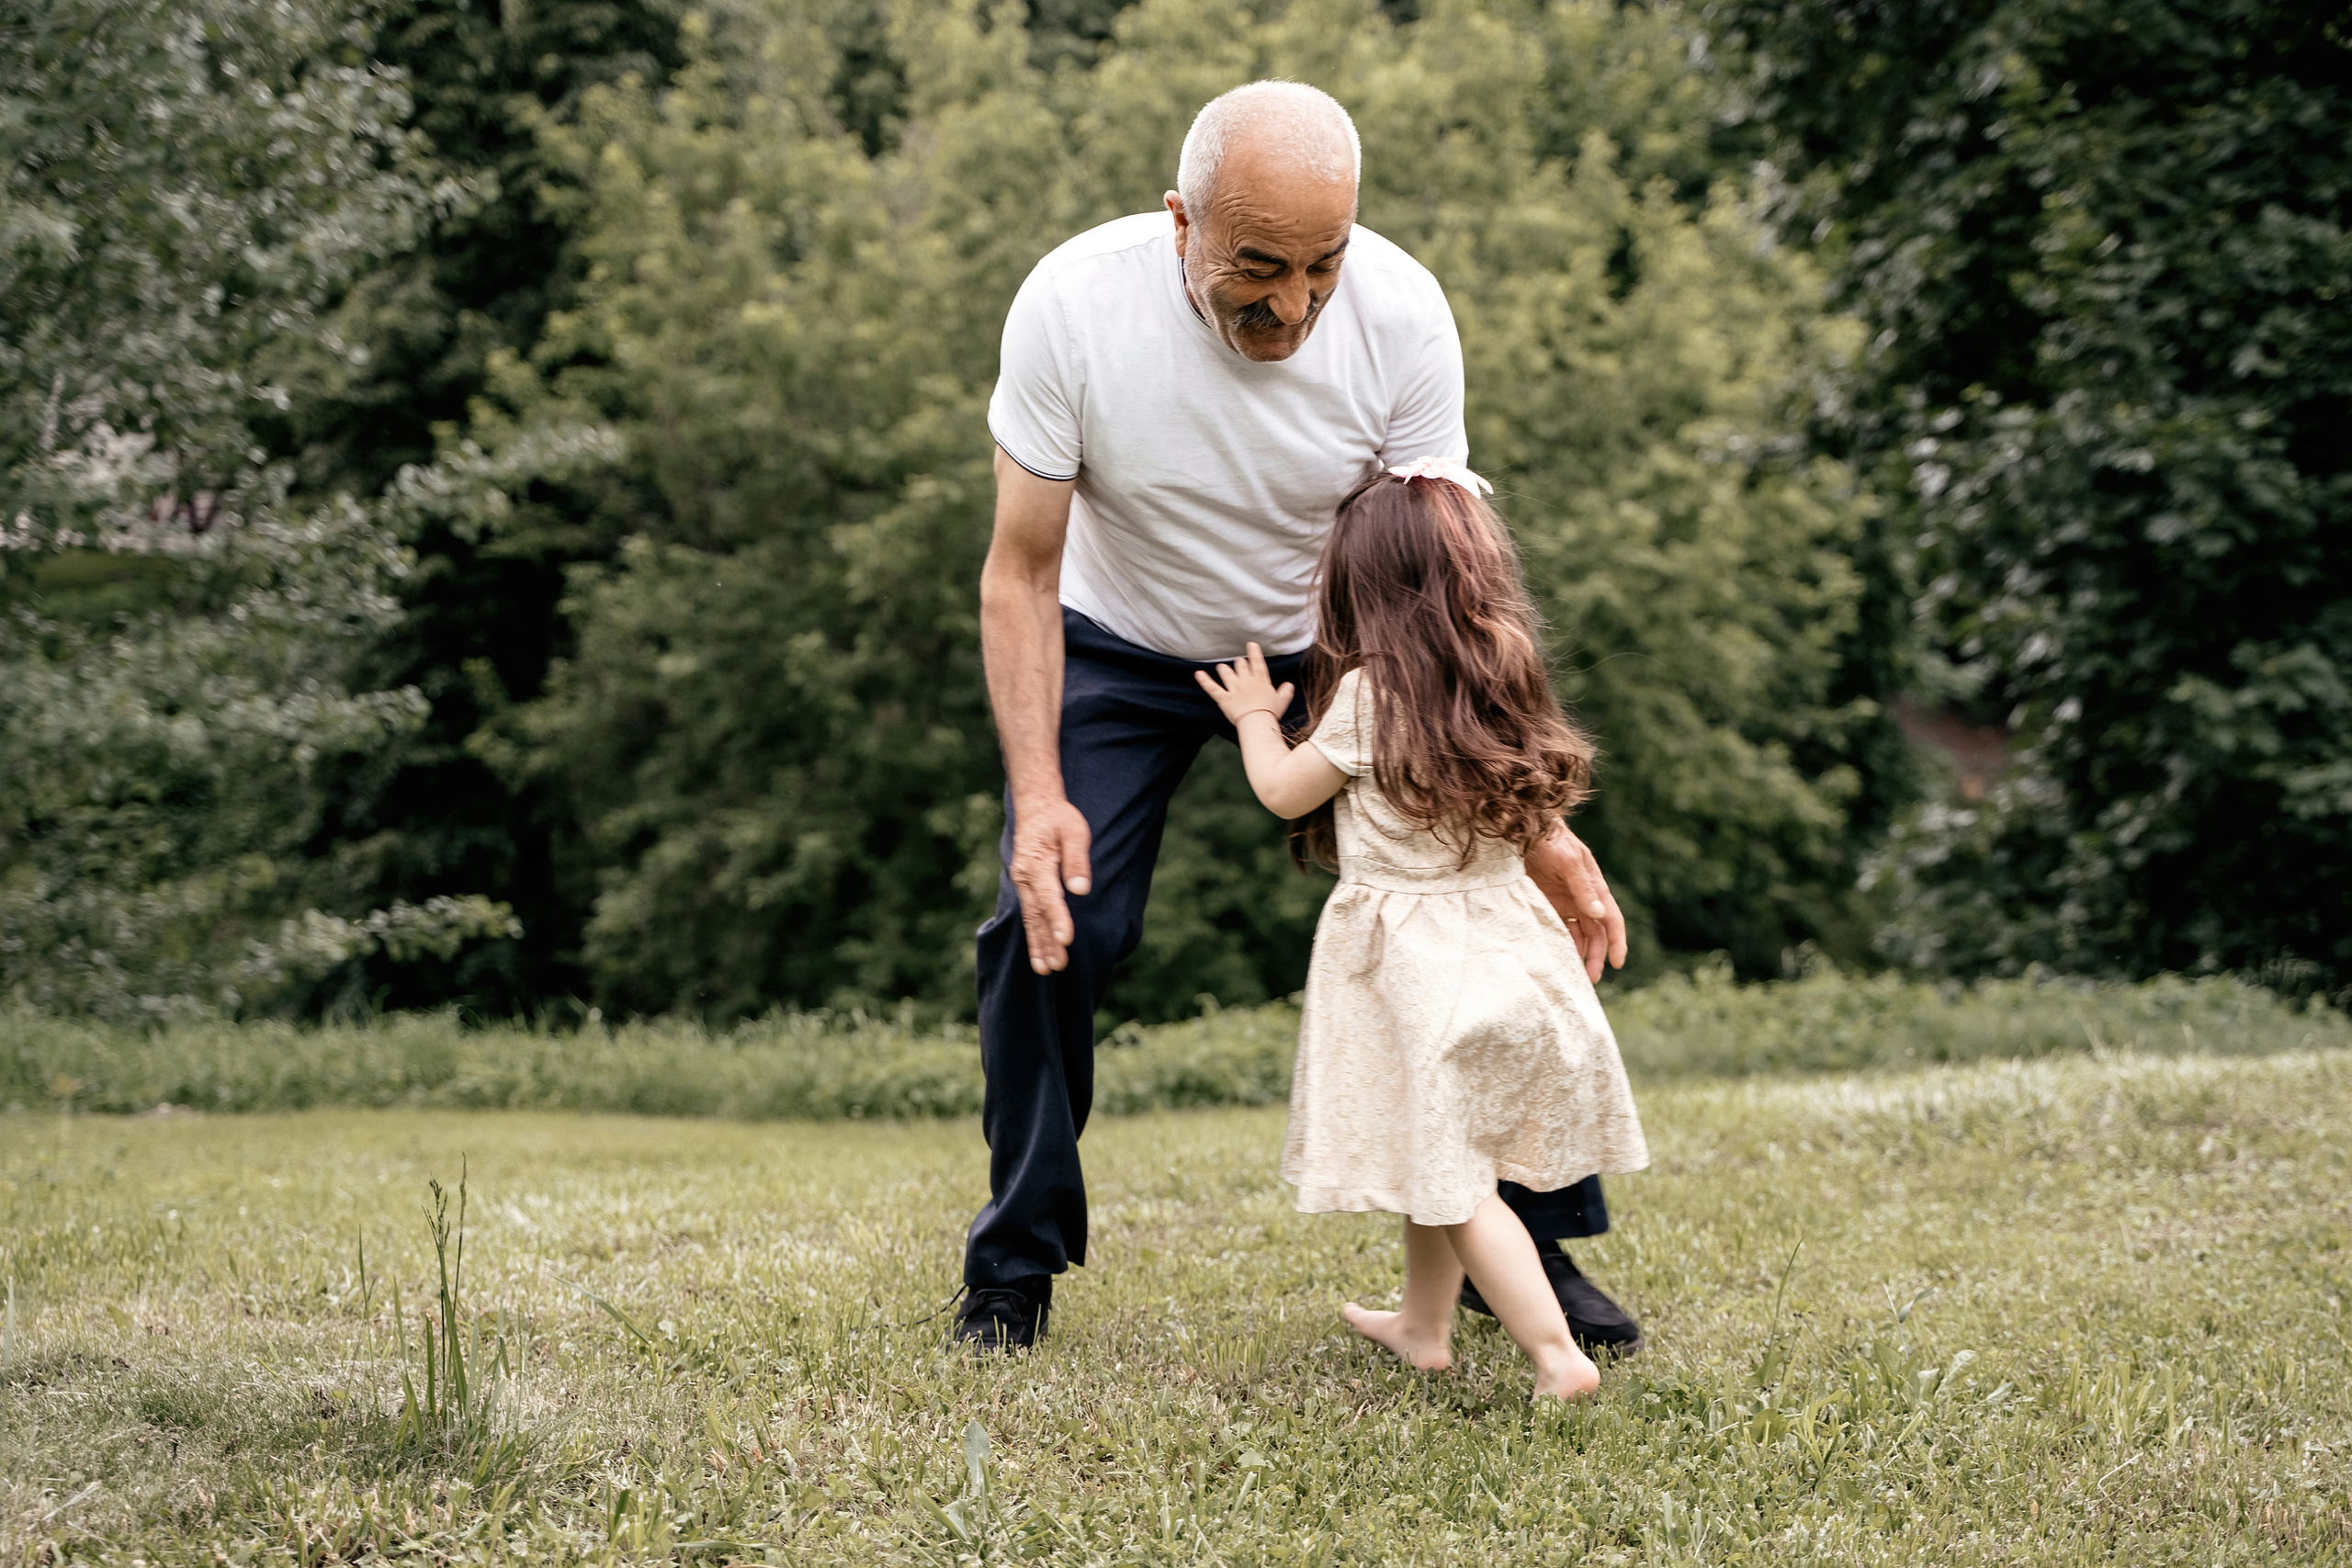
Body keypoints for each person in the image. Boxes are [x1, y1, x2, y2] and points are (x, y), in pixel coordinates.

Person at [958, 78, 1643, 1352]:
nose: (1292, 306)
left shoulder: (1400, 311)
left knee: (1484, 914)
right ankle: (1015, 1262)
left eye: (1321, 266)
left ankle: (1528, 1252)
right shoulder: (1072, 304)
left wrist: (1529, 819)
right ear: (1181, 223)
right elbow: (1023, 572)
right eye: (1256, 270)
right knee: (1052, 923)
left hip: (1343, 647)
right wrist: (1041, 796)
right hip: (1124, 642)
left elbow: (1454, 581)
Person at [1192, 460, 1648, 1398]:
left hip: (1421, 970)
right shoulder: (1498, 681)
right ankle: (1421, 1323)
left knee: (1456, 1182)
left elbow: (1282, 792)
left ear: (1361, 587)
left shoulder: (1369, 694)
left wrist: (1250, 719)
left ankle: (1557, 1357)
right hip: (1511, 954)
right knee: (1433, 1153)